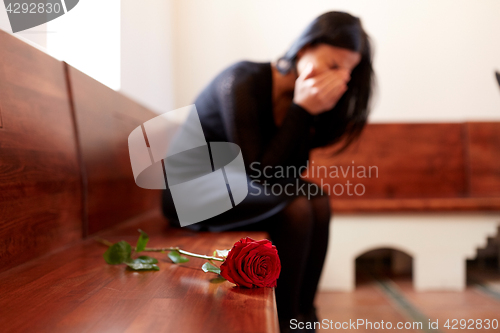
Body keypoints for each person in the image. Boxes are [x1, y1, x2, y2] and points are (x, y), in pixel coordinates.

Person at [162, 11, 374, 333]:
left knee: (316, 196)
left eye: (348, 71)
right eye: (334, 64)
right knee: (296, 205)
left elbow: (289, 172)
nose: (341, 79)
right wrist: (301, 111)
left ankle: (305, 317)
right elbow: (256, 173)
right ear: (305, 48)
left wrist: (306, 114)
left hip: (238, 189)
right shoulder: (242, 80)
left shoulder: (304, 99)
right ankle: (289, 323)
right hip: (189, 193)